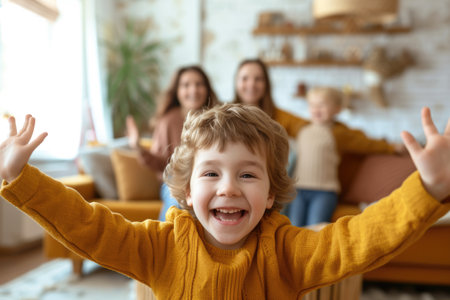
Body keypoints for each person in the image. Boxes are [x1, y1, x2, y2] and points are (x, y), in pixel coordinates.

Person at [1, 104, 449, 299]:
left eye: (248, 174)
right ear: (188, 192)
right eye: (211, 173)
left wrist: (426, 189)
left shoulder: (288, 252)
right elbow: (88, 226)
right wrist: (22, 178)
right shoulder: (160, 247)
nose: (229, 188)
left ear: (271, 193)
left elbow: (362, 238)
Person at [288, 86, 406, 227]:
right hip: (298, 190)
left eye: (322, 105)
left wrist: (391, 147)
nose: (316, 109)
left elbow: (364, 143)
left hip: (324, 192)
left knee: (316, 227)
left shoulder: (339, 133)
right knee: (294, 226)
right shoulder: (301, 129)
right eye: (312, 105)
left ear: (337, 109)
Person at [126, 65, 220, 220]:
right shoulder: (168, 121)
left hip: (211, 178)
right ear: (177, 91)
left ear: (207, 88)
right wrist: (138, 147)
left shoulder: (219, 119)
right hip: (175, 181)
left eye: (199, 84)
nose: (193, 90)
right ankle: (166, 239)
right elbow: (161, 163)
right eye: (186, 85)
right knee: (176, 199)